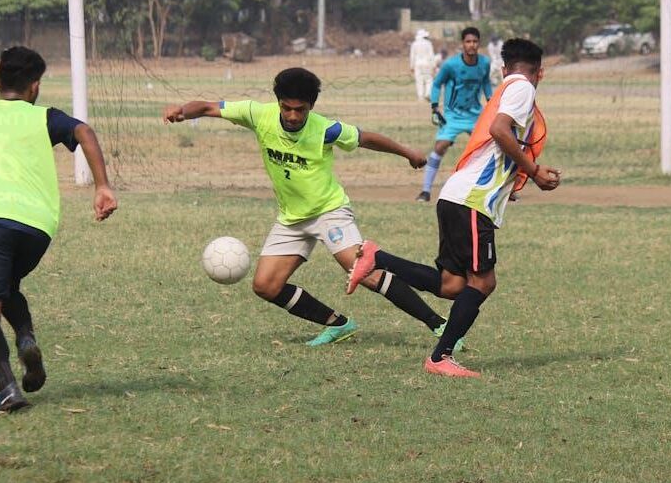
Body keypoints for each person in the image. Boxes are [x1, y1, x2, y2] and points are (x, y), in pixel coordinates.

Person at [162, 68, 460, 348]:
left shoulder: (325, 130)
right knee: (266, 285)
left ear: (311, 106)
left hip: (329, 212)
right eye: (286, 107)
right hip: (292, 219)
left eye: (300, 109)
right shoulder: (258, 114)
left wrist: (407, 152)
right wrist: (182, 112)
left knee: (362, 270)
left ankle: (440, 324)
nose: (292, 116)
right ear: (277, 103)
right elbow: (206, 107)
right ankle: (337, 324)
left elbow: (366, 138)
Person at [347, 38, 561, 378]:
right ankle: (440, 357)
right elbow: (499, 131)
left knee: (451, 286)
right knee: (483, 282)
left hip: (457, 196)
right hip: (471, 200)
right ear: (540, 73)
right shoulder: (522, 87)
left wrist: (525, 173)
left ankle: (377, 257)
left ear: (503, 68)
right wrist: (533, 171)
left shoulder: (506, 86)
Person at [0, 46, 119, 414]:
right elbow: (83, 130)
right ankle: (25, 338)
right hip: (38, 228)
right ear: (34, 87)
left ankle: (7, 390)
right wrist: (102, 185)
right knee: (6, 287)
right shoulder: (44, 118)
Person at [415, 26, 493, 203]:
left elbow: (486, 83)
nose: (472, 45)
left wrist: (491, 102)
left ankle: (497, 189)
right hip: (452, 115)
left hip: (475, 115)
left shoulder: (485, 63)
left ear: (479, 44)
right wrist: (435, 107)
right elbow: (436, 84)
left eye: (475, 41)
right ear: (462, 44)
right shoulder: (451, 64)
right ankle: (426, 191)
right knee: (440, 147)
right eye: (468, 41)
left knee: (490, 149)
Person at [409, 29, 436, 102]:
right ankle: (427, 93)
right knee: (429, 80)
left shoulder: (414, 44)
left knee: (419, 81)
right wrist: (433, 65)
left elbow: (412, 56)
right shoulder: (428, 43)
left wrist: (411, 66)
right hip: (427, 64)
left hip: (417, 64)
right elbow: (431, 55)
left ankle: (420, 97)